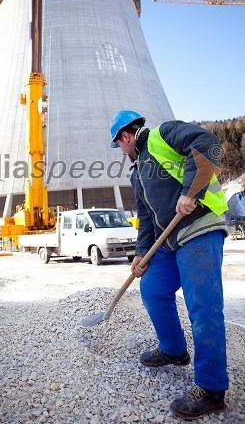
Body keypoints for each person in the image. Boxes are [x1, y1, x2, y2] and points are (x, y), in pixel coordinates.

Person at [109, 110, 229, 420]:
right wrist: (140, 253)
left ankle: (212, 388)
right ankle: (174, 350)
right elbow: (147, 217)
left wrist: (190, 192)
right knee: (152, 287)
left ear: (125, 137)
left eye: (119, 145)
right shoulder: (138, 173)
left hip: (198, 227)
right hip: (168, 241)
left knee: (202, 305)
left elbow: (208, 144)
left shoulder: (163, 134)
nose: (121, 151)